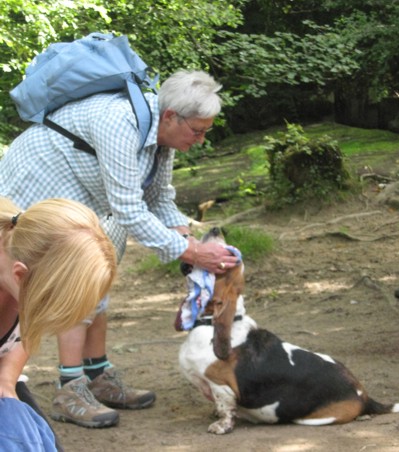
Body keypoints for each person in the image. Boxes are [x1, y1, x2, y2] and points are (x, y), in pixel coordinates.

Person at [0, 69, 239, 428]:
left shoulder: (161, 137)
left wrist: (191, 240)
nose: (202, 139)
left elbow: (158, 197)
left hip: (89, 196)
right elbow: (128, 207)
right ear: (171, 116)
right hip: (37, 186)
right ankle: (69, 386)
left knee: (98, 276)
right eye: (198, 131)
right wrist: (190, 253)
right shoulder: (119, 122)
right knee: (62, 281)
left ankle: (96, 373)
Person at [0, 196, 117, 450]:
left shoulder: (23, 268)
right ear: (20, 276)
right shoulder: (24, 280)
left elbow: (26, 332)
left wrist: (7, 378)